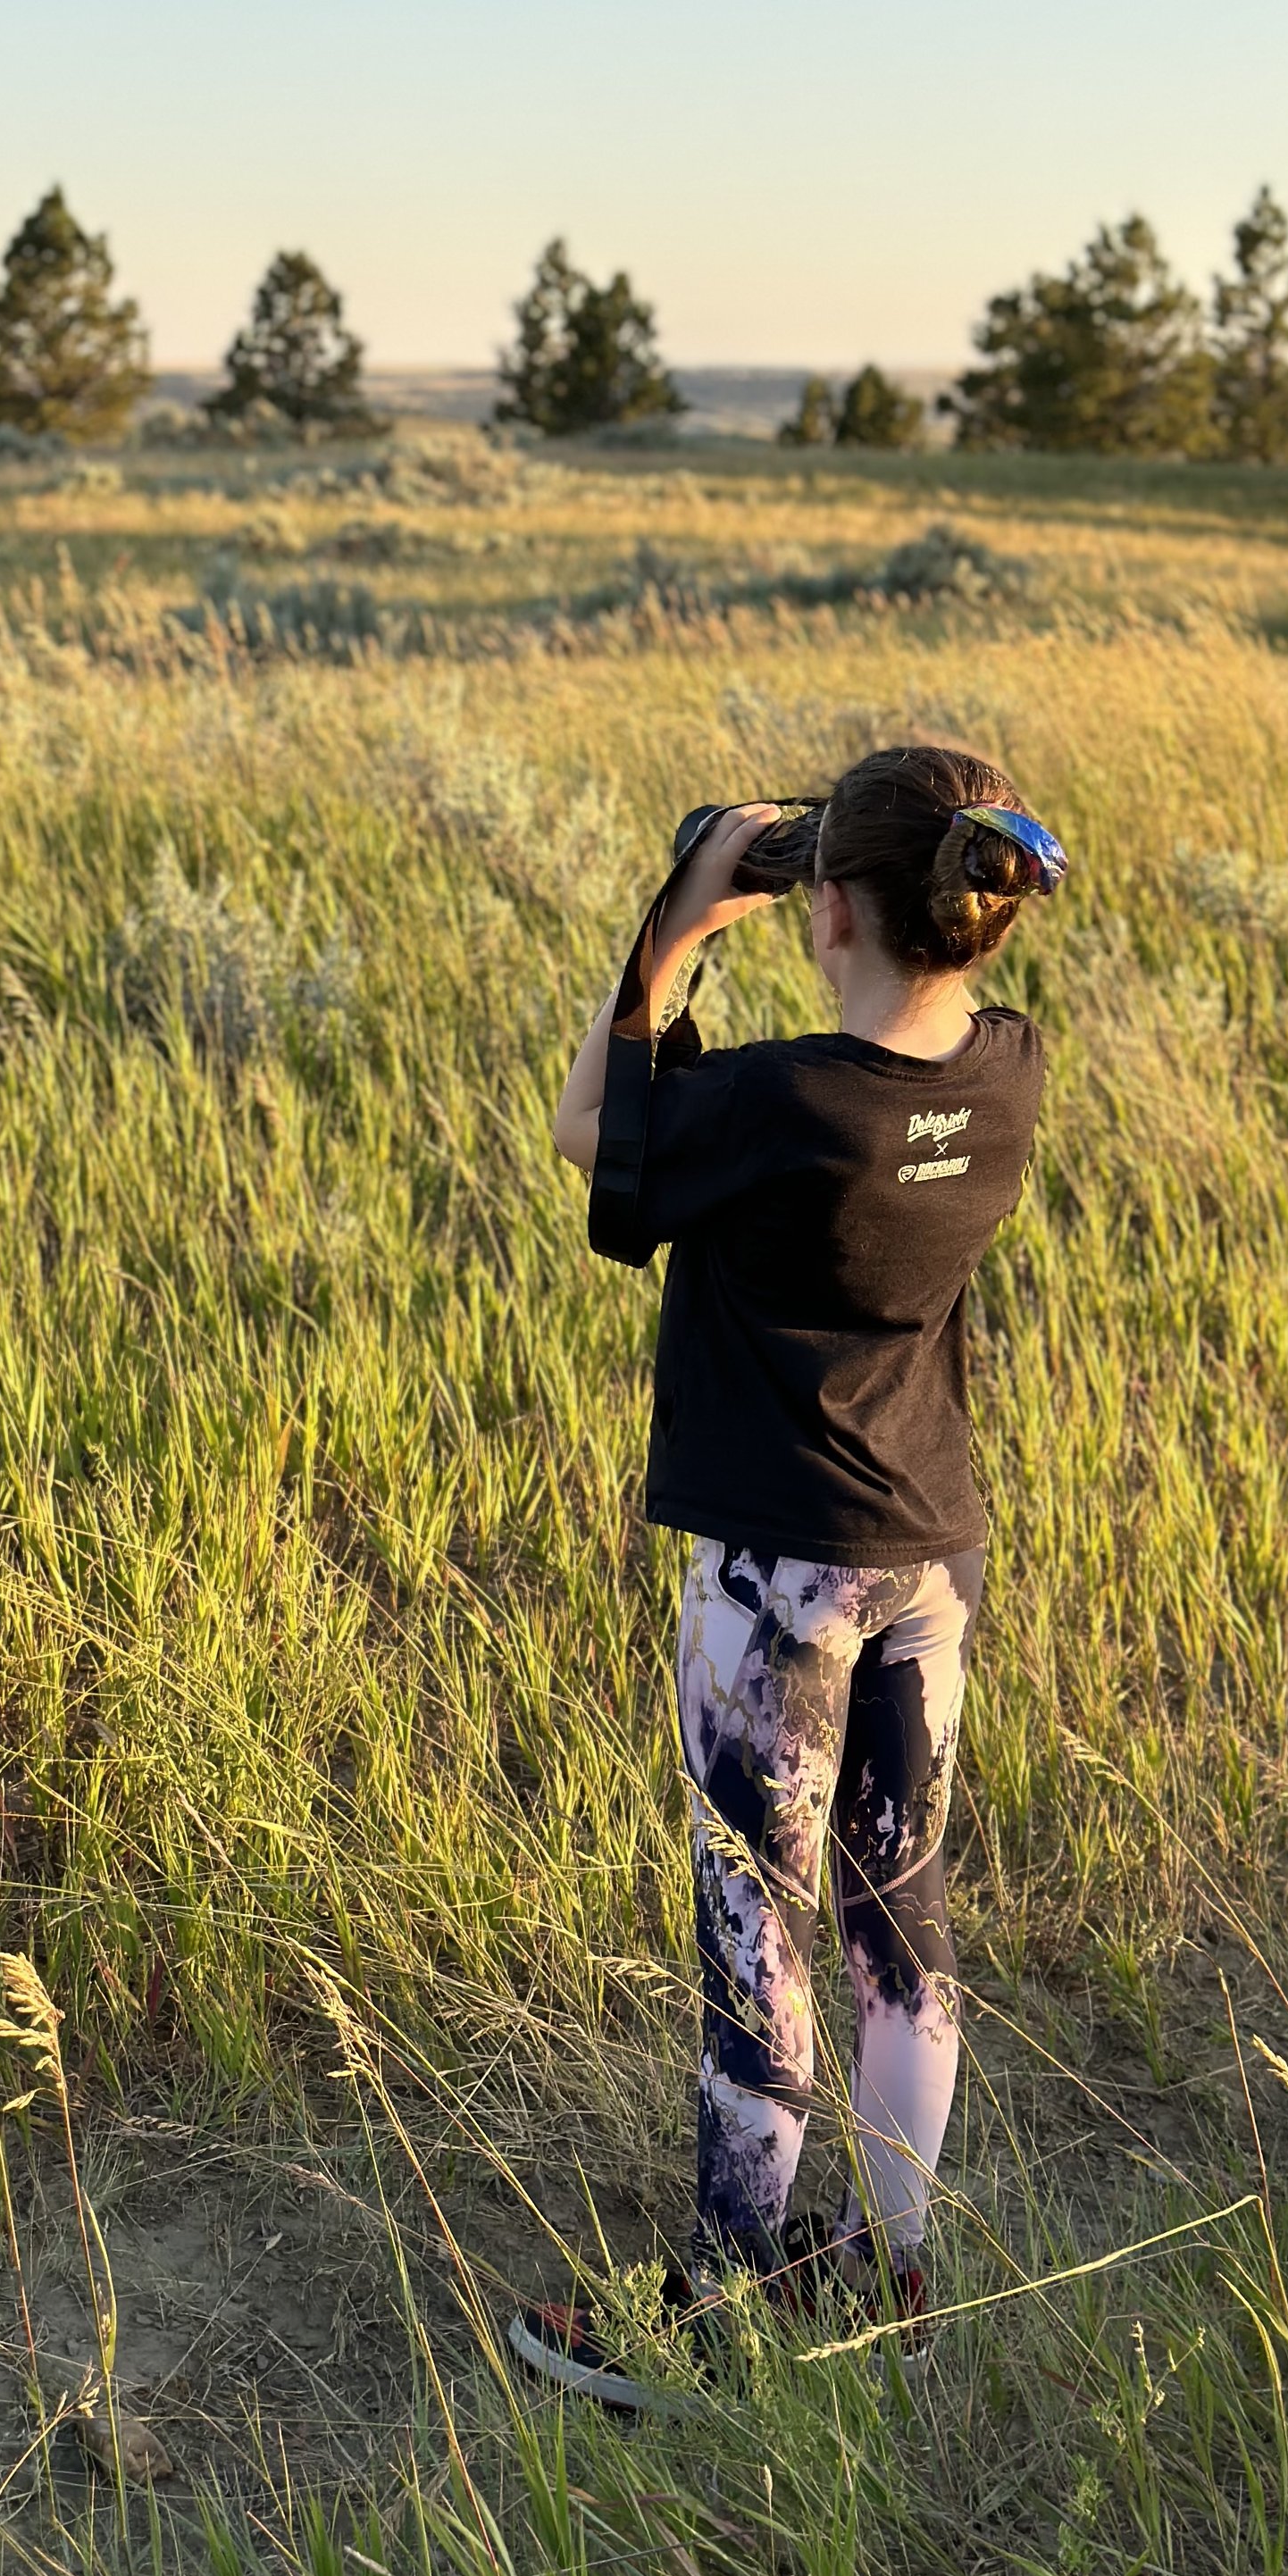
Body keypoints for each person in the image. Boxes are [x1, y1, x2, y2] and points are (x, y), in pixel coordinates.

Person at [509, 744, 1066, 2410]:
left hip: (779, 1581)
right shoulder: (1013, 1068)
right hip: (932, 1556)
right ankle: (895, 2271)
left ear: (820, 907)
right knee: (905, 1905)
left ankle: (723, 2313)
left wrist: (671, 938)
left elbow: (588, 1133)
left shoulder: (783, 1102)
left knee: (760, 1926)